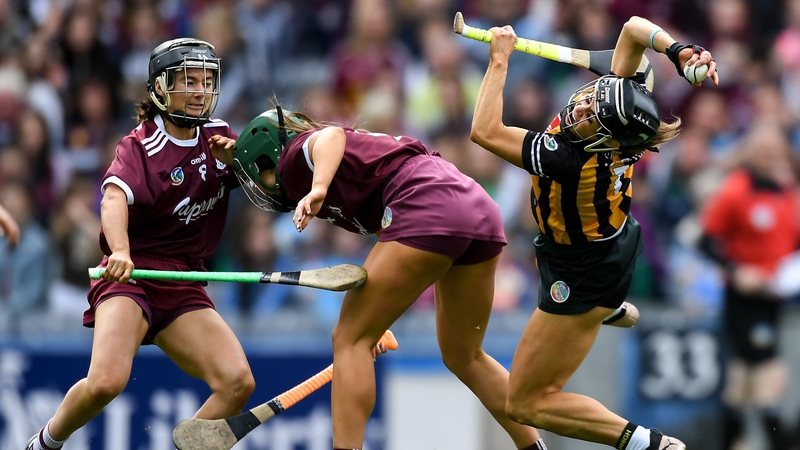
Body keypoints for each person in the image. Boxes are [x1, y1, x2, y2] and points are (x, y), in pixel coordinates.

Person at [210, 107, 549, 450]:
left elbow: (330, 136)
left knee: (348, 338)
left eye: (257, 173)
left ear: (268, 157)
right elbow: (403, 248)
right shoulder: (348, 167)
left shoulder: (294, 158)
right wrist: (375, 320)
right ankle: (534, 447)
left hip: (426, 203)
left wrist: (319, 187)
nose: (258, 185)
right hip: (475, 208)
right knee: (465, 355)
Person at [469, 15, 719, 450]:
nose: (579, 110)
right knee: (543, 238)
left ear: (606, 141)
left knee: (525, 403)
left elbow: (484, 132)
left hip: (583, 267)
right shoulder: (624, 99)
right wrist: (679, 50)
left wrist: (499, 62)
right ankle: (606, 307)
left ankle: (649, 443)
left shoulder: (568, 158)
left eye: (589, 118)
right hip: (612, 237)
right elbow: (634, 27)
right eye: (590, 99)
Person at [26, 38, 256, 450]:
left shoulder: (221, 137)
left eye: (206, 81)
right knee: (106, 382)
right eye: (189, 81)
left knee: (237, 382)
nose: (200, 90)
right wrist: (120, 251)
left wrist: (242, 160)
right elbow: (113, 199)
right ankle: (44, 442)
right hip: (131, 274)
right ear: (161, 88)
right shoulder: (141, 145)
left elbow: (268, 182)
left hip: (182, 281)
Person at [698, 120, 800, 450]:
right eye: (764, 152)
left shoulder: (788, 194)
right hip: (744, 299)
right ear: (752, 154)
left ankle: (735, 439)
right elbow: (706, 241)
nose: (771, 158)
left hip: (776, 296)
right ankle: (779, 441)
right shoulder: (736, 189)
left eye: (776, 152)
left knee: (740, 381)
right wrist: (737, 270)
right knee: (767, 372)